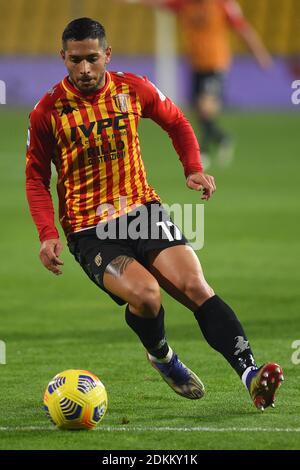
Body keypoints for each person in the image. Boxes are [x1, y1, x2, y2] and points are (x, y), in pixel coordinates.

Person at [26, 17, 283, 410]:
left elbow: (177, 121)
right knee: (146, 296)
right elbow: (36, 177)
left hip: (143, 211)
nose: (85, 69)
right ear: (63, 57)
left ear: (106, 55)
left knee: (196, 287)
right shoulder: (48, 111)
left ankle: (251, 375)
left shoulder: (132, 88)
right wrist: (47, 233)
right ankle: (163, 357)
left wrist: (192, 168)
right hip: (91, 228)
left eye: (92, 58)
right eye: (75, 60)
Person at [126, 0, 273, 166]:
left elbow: (243, 29)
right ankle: (221, 137)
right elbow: (161, 3)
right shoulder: (185, 4)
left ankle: (203, 150)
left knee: (205, 107)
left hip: (216, 63)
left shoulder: (223, 4)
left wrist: (260, 54)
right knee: (197, 110)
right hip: (196, 64)